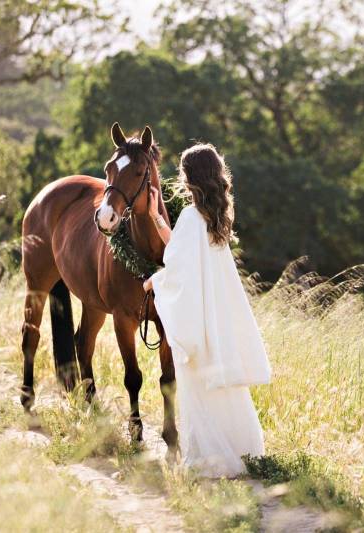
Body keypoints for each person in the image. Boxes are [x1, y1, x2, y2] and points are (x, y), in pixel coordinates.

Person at [142, 143, 271, 478]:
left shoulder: (189, 216)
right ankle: (243, 452)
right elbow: (185, 251)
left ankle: (209, 459)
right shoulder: (218, 217)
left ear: (190, 176)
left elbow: (179, 265)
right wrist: (157, 217)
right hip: (218, 316)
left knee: (198, 387)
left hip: (198, 317)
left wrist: (155, 281)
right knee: (224, 386)